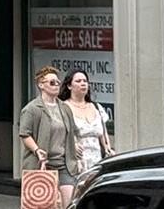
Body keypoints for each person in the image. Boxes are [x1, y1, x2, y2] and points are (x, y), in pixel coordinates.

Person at [18, 66, 84, 208]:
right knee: (44, 204)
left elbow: (72, 131)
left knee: (68, 203)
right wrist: (37, 150)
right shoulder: (32, 109)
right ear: (41, 85)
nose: (56, 86)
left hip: (64, 163)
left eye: (58, 82)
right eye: (52, 83)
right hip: (41, 164)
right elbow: (25, 134)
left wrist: (76, 149)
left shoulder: (64, 108)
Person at [60, 71, 112, 172]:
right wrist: (71, 145)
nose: (83, 84)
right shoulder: (63, 107)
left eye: (85, 81)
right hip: (76, 161)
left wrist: (107, 148)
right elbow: (59, 133)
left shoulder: (96, 107)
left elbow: (103, 132)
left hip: (97, 160)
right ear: (69, 86)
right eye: (78, 81)